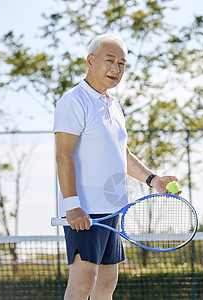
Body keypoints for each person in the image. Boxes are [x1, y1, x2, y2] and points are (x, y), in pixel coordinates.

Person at [53, 33, 180, 300]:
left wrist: (153, 179)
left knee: (107, 283)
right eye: (110, 60)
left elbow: (121, 153)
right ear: (90, 60)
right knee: (84, 281)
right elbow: (63, 156)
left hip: (112, 210)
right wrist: (72, 206)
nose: (116, 69)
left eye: (122, 63)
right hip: (84, 211)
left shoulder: (113, 105)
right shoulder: (74, 101)